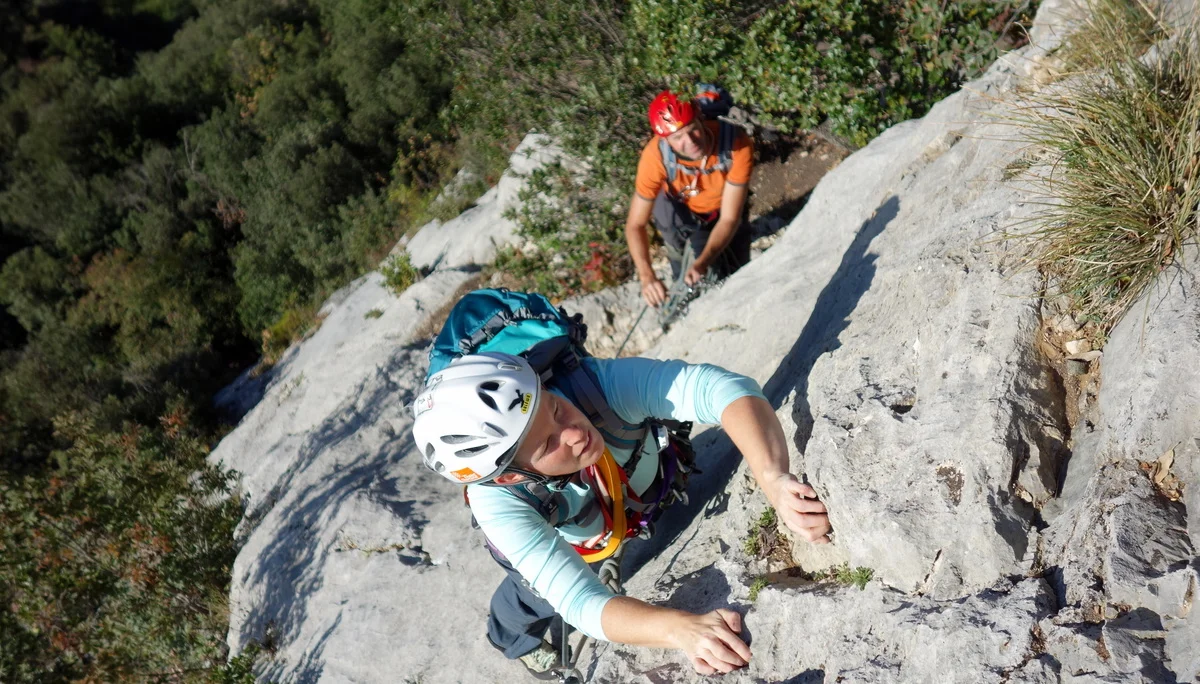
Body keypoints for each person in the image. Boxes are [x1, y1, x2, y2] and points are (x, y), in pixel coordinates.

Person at [411, 351, 831, 679]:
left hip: (619, 507)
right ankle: (512, 642)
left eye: (554, 409)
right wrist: (679, 630)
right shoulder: (498, 504)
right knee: (531, 598)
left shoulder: (589, 386)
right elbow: (579, 602)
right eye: (547, 445)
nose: (575, 433)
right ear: (507, 479)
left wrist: (773, 476)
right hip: (580, 535)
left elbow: (722, 388)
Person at [624, 89, 755, 309]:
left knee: (737, 272)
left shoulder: (736, 145)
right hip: (681, 213)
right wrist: (647, 276)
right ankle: (680, 268)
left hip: (721, 212)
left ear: (701, 119)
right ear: (665, 139)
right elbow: (635, 224)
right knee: (684, 269)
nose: (690, 141)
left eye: (693, 130)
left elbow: (730, 219)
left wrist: (703, 262)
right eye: (678, 138)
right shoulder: (655, 157)